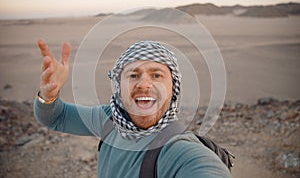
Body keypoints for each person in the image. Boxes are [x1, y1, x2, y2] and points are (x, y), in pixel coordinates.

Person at [34, 39, 232, 178]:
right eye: (133, 75)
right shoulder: (109, 119)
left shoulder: (178, 149)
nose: (144, 85)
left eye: (156, 75)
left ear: (174, 87)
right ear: (119, 86)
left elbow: (204, 168)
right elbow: (56, 117)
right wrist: (49, 96)